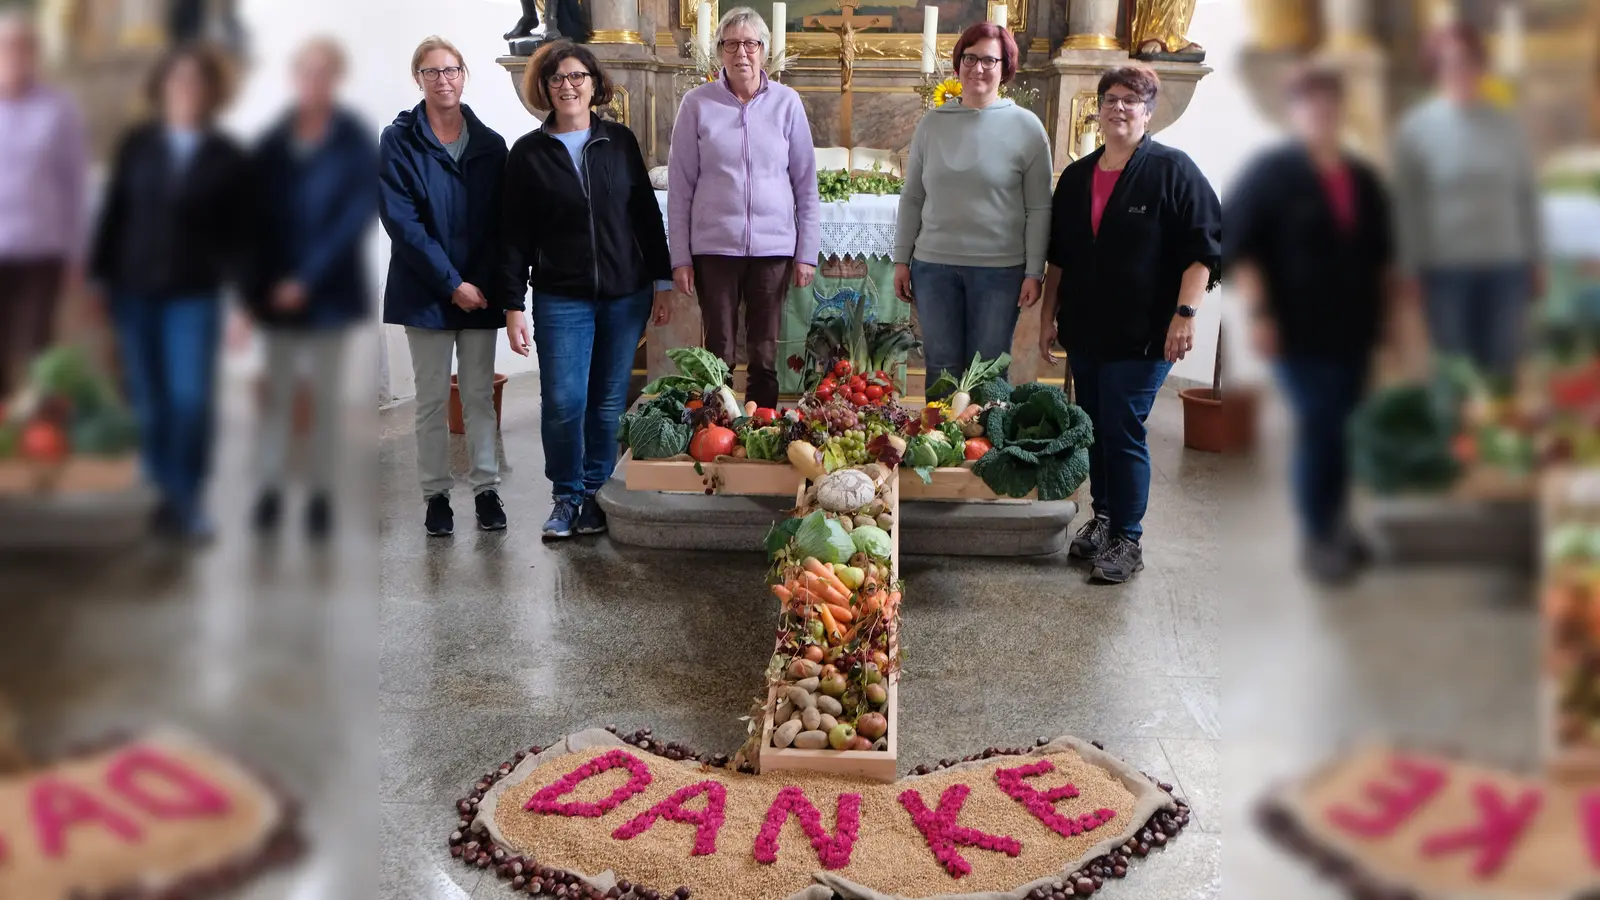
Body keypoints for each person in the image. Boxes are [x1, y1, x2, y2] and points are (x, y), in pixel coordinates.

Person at [1040, 65, 1221, 584]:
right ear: (1098, 109)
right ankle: (1102, 517)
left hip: (1145, 333)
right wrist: (1048, 318)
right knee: (1094, 426)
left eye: (1131, 100)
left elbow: (1202, 250)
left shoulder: (1172, 170)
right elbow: (1061, 258)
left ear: (1148, 111)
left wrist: (1184, 315)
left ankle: (1128, 538)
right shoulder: (1077, 177)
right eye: (1110, 99)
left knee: (1121, 427)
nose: (1119, 108)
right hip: (1088, 329)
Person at [1226, 66, 1396, 585]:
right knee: (1320, 427)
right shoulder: (1273, 172)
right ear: (1294, 112)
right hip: (1299, 328)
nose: (1321, 115)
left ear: (1341, 111)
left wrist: (1394, 321)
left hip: (1356, 326)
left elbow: (1382, 254)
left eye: (1330, 105)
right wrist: (1260, 314)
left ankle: (1338, 526)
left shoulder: (1361, 177)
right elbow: (1242, 246)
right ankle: (1319, 536)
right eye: (1311, 106)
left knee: (1345, 429)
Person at [502, 40, 672, 540]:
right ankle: (565, 494)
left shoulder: (619, 141)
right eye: (557, 79)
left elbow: (645, 215)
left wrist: (661, 282)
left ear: (595, 85)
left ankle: (596, 493)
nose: (568, 86)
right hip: (561, 294)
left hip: (625, 293)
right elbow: (513, 236)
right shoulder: (528, 153)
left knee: (607, 401)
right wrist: (513, 303)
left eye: (578, 77)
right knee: (562, 400)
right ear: (545, 88)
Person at [90, 43, 252, 540]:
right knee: (149, 401)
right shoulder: (138, 144)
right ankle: (164, 495)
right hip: (132, 290)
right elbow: (114, 214)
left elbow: (241, 234)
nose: (185, 88)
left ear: (210, 91)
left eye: (195, 80)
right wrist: (98, 278)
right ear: (162, 86)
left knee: (188, 399)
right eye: (176, 79)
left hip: (193, 294)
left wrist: (245, 301)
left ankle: (187, 496)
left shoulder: (225, 155)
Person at [246, 38, 377, 539]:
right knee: (277, 398)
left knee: (323, 399)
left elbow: (352, 218)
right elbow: (254, 220)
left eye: (324, 74)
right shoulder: (272, 141)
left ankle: (321, 494)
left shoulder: (352, 140)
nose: (313, 82)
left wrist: (306, 279)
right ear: (295, 78)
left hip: (329, 293)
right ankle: (271, 489)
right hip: (274, 295)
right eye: (306, 73)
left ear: (335, 80)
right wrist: (259, 289)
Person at [379, 36, 509, 537]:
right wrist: (451, 282)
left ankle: (486, 490)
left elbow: (499, 226)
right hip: (426, 289)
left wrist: (477, 285)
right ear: (419, 79)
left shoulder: (491, 144)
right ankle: (436, 496)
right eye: (432, 72)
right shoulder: (399, 140)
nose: (443, 80)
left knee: (477, 395)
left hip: (478, 291)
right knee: (432, 398)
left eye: (451, 70)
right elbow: (402, 221)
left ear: (464, 75)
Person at [668, 6, 819, 410]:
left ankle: (761, 431)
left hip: (773, 249)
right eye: (731, 44)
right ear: (719, 52)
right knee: (718, 350)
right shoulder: (697, 104)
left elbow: (806, 184)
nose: (742, 53)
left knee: (764, 352)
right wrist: (680, 257)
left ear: (764, 51)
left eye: (750, 44)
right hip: (714, 249)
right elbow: (680, 187)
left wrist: (806, 252)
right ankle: (717, 432)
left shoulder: (787, 103)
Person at [893, 22, 1052, 389]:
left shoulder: (1027, 128)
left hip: (999, 271)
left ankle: (989, 448)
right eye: (970, 58)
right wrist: (902, 260)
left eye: (988, 60)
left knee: (989, 376)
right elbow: (913, 196)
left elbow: (1040, 209)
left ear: (1005, 67)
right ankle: (939, 446)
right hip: (934, 267)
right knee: (942, 372)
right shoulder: (932, 125)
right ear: (958, 63)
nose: (978, 68)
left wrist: (1034, 271)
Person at [1393, 21, 1543, 386]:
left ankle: (1500, 443)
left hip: (1506, 265)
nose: (1459, 70)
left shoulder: (1508, 125)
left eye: (1467, 61)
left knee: (1502, 369)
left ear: (1480, 66)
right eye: (1448, 62)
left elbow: (1526, 195)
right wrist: (1408, 267)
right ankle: (1455, 444)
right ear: (1435, 69)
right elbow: (1406, 206)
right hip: (1445, 270)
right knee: (1455, 373)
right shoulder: (1415, 129)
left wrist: (1536, 258)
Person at [0, 10, 88, 399]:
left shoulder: (60, 108)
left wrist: (77, 253)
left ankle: (34, 440)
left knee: (38, 353)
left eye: (25, 46)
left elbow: (75, 184)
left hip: (41, 251)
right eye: (7, 46)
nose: (16, 54)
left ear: (36, 53)